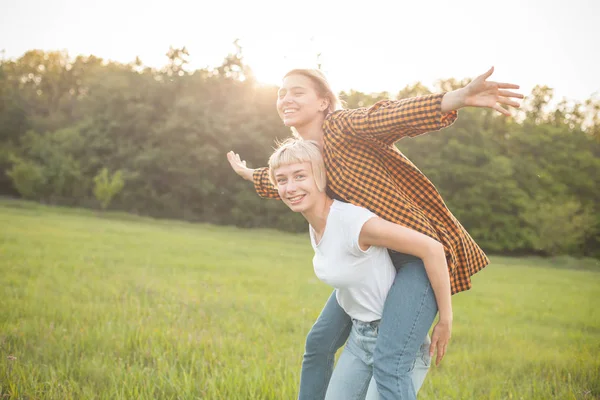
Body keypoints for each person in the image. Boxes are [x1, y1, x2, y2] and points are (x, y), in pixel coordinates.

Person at [227, 67, 523, 399]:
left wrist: (456, 98)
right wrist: (248, 173)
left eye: (297, 91)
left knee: (389, 363)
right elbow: (280, 180)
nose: (286, 99)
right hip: (371, 258)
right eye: (281, 93)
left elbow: (389, 116)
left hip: (414, 257)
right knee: (319, 342)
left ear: (324, 102)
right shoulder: (307, 156)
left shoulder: (342, 126)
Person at [268, 138, 447, 400]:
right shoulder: (316, 222)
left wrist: (446, 318)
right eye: (281, 180)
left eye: (299, 176)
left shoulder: (353, 221)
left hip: (396, 345)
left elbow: (432, 248)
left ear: (320, 176)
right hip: (359, 338)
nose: (290, 187)